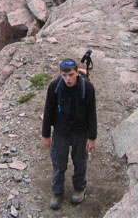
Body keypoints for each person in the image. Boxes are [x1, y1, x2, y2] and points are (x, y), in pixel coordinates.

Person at [42, 59, 97, 210]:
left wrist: (92, 137)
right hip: (61, 131)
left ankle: (79, 188)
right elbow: (47, 111)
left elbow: (92, 113)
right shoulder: (54, 87)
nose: (68, 79)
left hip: (81, 131)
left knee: (80, 161)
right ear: (61, 74)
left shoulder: (87, 87)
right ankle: (57, 192)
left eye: (71, 75)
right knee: (59, 163)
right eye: (64, 75)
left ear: (77, 74)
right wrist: (46, 135)